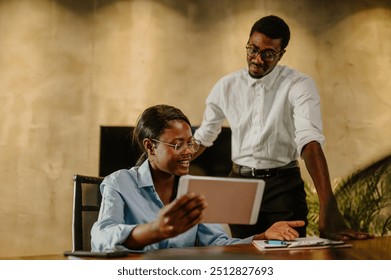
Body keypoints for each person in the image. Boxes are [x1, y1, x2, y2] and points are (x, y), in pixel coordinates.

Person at [193, 15, 372, 240]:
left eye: (268, 54)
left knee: (290, 257)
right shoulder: (226, 86)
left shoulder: (298, 84)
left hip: (283, 187)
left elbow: (309, 140)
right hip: (240, 185)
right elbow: (204, 137)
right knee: (243, 254)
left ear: (281, 54)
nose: (257, 59)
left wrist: (328, 205)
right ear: (248, 43)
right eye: (252, 49)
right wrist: (168, 160)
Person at [91, 104, 304, 252]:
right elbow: (101, 239)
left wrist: (262, 238)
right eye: (177, 144)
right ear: (150, 146)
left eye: (190, 143)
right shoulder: (119, 183)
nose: (188, 152)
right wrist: (155, 230)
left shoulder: (195, 190)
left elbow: (217, 243)